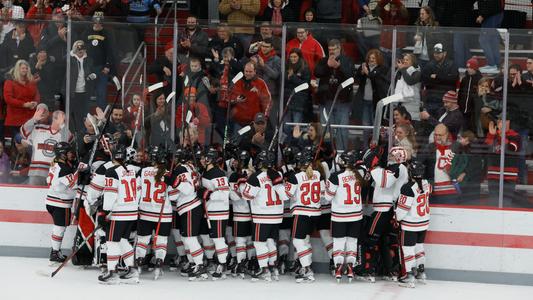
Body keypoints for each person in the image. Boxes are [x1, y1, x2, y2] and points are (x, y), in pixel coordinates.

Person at [362, 145, 409, 281]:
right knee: (387, 241)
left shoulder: (398, 168)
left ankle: (369, 270)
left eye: (393, 155)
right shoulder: (397, 168)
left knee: (371, 239)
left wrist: (373, 167)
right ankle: (390, 270)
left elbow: (384, 182)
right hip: (389, 209)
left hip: (384, 209)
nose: (389, 157)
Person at [241, 150, 286, 281]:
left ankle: (264, 269)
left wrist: (247, 180)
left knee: (259, 243)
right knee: (271, 242)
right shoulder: (278, 174)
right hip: (277, 215)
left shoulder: (256, 177)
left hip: (262, 214)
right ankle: (273, 268)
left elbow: (246, 195)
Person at [98, 144, 140, 284]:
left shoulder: (111, 171)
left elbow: (110, 195)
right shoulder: (133, 171)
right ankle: (133, 271)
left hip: (118, 213)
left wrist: (104, 213)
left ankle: (112, 273)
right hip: (132, 212)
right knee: (122, 241)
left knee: (111, 242)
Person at [167, 146, 208, 281]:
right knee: (186, 238)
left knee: (190, 239)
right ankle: (194, 263)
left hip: (190, 206)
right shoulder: (190, 167)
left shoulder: (181, 169)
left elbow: (188, 190)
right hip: (189, 206)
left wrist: (174, 182)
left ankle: (200, 265)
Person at [324, 150, 366, 283]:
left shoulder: (335, 176)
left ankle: (338, 267)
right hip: (356, 215)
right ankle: (350, 267)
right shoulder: (361, 173)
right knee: (352, 242)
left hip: (339, 216)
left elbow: (327, 197)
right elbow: (364, 167)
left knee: (339, 242)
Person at [285, 149, 322, 283]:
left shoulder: (295, 176)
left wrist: (286, 182)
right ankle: (305, 266)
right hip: (315, 213)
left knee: (298, 241)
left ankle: (307, 269)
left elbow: (285, 195)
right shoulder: (318, 174)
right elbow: (322, 193)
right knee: (305, 241)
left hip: (301, 213)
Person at [136, 146, 173, 280]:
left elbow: (137, 190)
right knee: (161, 241)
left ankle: (139, 263)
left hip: (145, 211)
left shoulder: (143, 171)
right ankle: (158, 264)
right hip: (163, 214)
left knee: (142, 240)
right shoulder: (168, 173)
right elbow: (174, 196)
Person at [396, 159, 431, 288]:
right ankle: (421, 272)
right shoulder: (427, 184)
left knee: (408, 250)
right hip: (424, 222)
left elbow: (401, 210)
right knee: (419, 247)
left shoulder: (407, 187)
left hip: (410, 224)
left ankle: (409, 276)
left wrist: (397, 218)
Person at [314, 39, 354, 150]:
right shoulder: (323, 60)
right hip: (326, 100)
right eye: (330, 49)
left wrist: (338, 67)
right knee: (326, 129)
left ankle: (341, 154)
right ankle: (328, 154)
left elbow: (351, 76)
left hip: (342, 101)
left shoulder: (347, 60)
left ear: (339, 48)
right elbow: (317, 73)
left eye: (334, 49)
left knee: (342, 129)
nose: (332, 52)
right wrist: (327, 66)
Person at [198, 148, 231, 279]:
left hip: (219, 212)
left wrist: (208, 193)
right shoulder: (205, 172)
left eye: (203, 157)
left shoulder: (218, 173)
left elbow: (225, 193)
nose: (201, 160)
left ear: (209, 159)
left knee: (218, 239)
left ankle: (222, 264)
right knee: (205, 236)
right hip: (208, 211)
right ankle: (211, 261)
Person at [21, 107, 72, 185]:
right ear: (54, 118)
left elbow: (70, 139)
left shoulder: (63, 134)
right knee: (33, 195)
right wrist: (33, 119)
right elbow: (24, 131)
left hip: (54, 173)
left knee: (51, 196)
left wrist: (62, 126)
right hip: (36, 172)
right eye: (61, 119)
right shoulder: (38, 128)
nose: (63, 122)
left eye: (64, 120)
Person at [46, 142, 78, 265]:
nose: (71, 153)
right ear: (63, 154)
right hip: (60, 203)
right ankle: (54, 253)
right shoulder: (64, 168)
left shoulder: (55, 164)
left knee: (58, 228)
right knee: (59, 228)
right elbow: (73, 185)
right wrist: (79, 173)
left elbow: (49, 180)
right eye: (69, 152)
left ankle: (55, 251)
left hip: (51, 200)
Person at [228, 149, 255, 278]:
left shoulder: (252, 175)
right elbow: (234, 196)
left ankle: (246, 263)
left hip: (249, 214)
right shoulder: (235, 176)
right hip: (243, 213)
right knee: (243, 241)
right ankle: (242, 263)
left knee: (245, 241)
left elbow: (236, 196)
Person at [355, 49, 389, 146]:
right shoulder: (365, 67)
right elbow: (356, 78)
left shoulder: (382, 68)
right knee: (366, 126)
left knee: (376, 125)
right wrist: (361, 73)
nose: (371, 60)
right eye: (370, 58)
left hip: (376, 102)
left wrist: (368, 73)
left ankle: (376, 148)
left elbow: (376, 79)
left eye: (373, 58)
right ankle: (366, 147)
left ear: (378, 59)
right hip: (365, 101)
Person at [417, 123, 457, 204]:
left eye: (440, 135)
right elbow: (418, 164)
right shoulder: (429, 148)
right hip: (433, 192)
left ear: (447, 134)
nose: (437, 137)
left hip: (451, 192)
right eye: (435, 135)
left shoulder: (456, 148)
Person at [485, 117, 521, 206]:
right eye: (499, 120)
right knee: (493, 202)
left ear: (508, 122)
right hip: (493, 173)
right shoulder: (493, 134)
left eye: (503, 120)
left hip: (509, 174)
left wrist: (502, 135)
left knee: (506, 202)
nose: (500, 122)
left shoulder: (515, 135)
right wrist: (491, 135)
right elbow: (487, 149)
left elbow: (512, 149)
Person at [83, 11, 115, 110]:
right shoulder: (86, 32)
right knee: (87, 92)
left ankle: (102, 117)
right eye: (95, 21)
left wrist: (107, 66)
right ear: (92, 21)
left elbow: (111, 51)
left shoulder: (107, 33)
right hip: (88, 68)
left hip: (101, 68)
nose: (97, 23)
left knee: (101, 93)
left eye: (99, 21)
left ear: (102, 22)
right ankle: (86, 115)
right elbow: (81, 47)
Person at [3, 59, 40, 138]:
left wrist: (35, 102)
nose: (25, 70)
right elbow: (8, 99)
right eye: (23, 68)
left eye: (26, 68)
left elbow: (37, 95)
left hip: (30, 118)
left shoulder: (31, 81)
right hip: (15, 119)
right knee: (19, 142)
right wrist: (23, 104)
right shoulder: (9, 82)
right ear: (18, 69)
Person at [230, 62, 271, 131]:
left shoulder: (261, 83)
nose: (248, 73)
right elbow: (230, 97)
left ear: (255, 72)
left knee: (253, 141)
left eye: (250, 71)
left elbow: (267, 101)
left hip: (254, 122)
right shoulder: (237, 82)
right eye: (246, 71)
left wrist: (264, 117)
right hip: (238, 121)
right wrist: (236, 100)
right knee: (236, 141)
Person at [421, 43, 459, 118]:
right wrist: (444, 77)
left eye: (438, 53)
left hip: (445, 101)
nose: (436, 55)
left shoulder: (451, 65)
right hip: (431, 99)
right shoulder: (429, 65)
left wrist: (437, 77)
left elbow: (452, 80)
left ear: (445, 53)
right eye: (435, 53)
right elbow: (425, 80)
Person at [250, 38, 281, 128]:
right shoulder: (256, 57)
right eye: (263, 46)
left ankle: (274, 139)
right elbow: (251, 75)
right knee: (257, 119)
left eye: (267, 47)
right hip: (257, 93)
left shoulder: (276, 60)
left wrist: (264, 66)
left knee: (272, 119)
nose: (264, 48)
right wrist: (255, 66)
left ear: (271, 48)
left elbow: (275, 75)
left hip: (271, 94)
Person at [68, 40, 97, 132]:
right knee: (71, 113)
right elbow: (61, 63)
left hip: (84, 91)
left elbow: (94, 72)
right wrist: (72, 53)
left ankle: (81, 132)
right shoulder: (69, 59)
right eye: (78, 48)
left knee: (82, 113)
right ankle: (71, 132)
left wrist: (93, 75)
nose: (80, 50)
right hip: (71, 92)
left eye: (82, 48)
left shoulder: (89, 60)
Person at [284, 48, 311, 125]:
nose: (292, 59)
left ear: (299, 57)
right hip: (287, 100)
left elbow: (306, 85)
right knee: (286, 126)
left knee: (296, 125)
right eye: (291, 56)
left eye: (295, 57)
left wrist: (293, 77)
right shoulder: (286, 66)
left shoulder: (304, 68)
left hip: (299, 102)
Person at [476, 0, 504, 73]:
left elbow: (490, 3)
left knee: (483, 40)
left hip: (491, 16)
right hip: (494, 14)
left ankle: (492, 64)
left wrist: (482, 15)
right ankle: (497, 65)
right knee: (492, 40)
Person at [394, 53, 422, 122]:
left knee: (410, 122)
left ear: (413, 62)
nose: (405, 61)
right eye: (404, 60)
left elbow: (410, 81)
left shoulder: (417, 72)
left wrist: (403, 69)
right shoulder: (401, 72)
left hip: (413, 102)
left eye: (407, 60)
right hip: (402, 102)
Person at [458, 57, 482, 132]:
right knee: (464, 129)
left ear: (475, 68)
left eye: (471, 67)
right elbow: (460, 93)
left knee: (473, 129)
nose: (469, 69)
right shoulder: (464, 79)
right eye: (467, 67)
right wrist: (459, 104)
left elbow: (483, 96)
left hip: (474, 111)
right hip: (463, 110)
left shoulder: (480, 80)